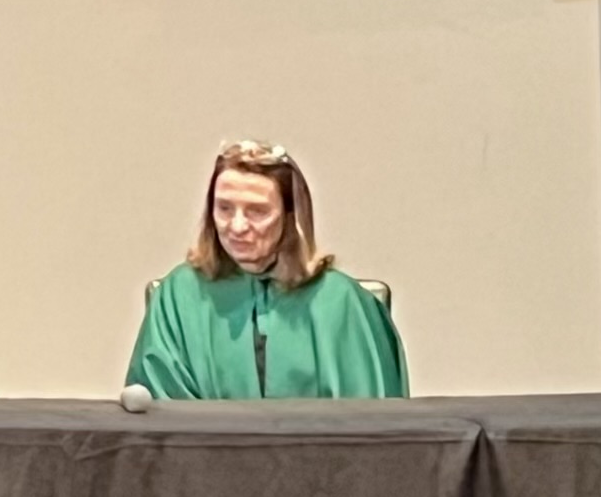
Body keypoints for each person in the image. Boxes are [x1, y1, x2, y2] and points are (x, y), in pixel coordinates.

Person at [124, 140, 405, 399]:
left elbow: (374, 427)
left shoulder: (345, 304)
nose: (236, 226)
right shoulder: (179, 297)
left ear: (291, 216)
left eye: (257, 212)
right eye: (224, 208)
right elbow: (160, 422)